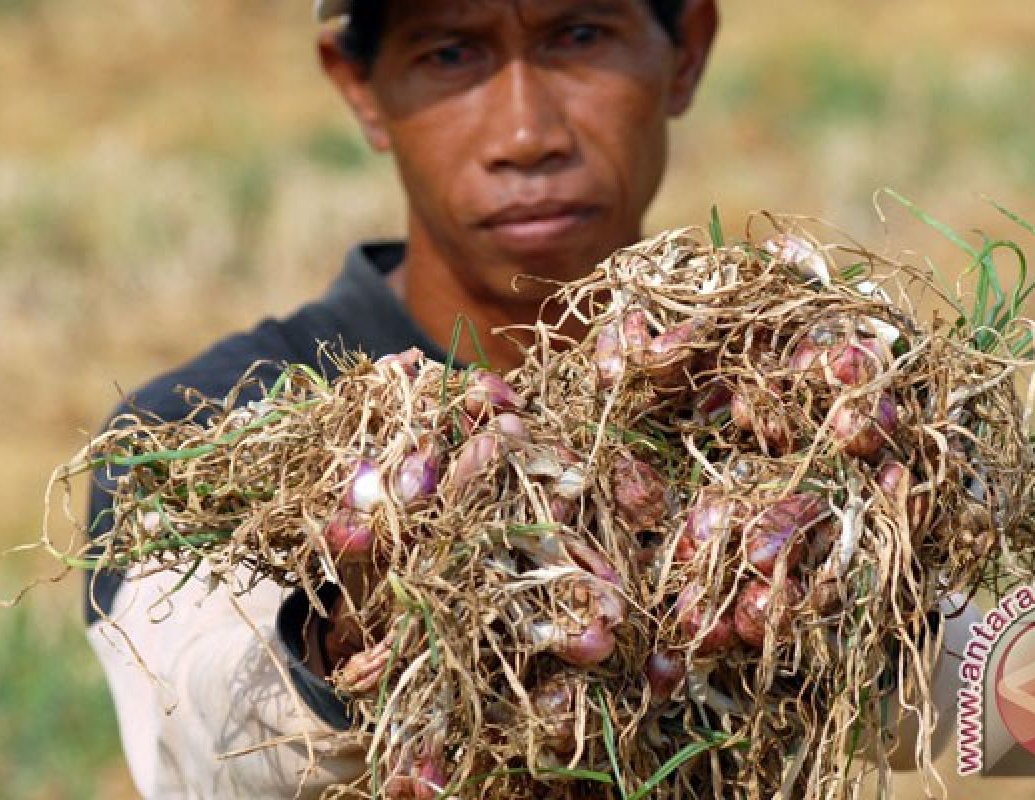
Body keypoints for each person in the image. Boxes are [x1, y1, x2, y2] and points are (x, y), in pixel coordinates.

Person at [85, 2, 976, 797]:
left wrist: (828, 596)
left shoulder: (826, 406)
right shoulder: (205, 428)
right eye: (450, 52)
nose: (526, 132)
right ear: (360, 87)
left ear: (688, 50)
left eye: (579, 36)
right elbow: (194, 738)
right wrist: (345, 640)